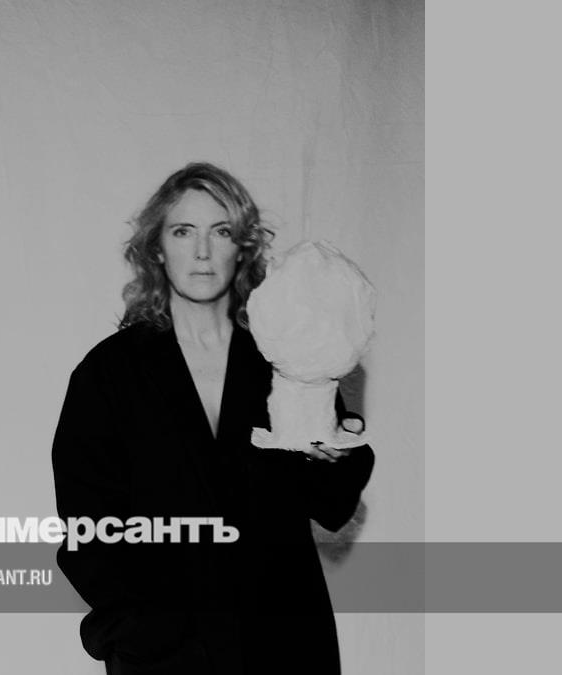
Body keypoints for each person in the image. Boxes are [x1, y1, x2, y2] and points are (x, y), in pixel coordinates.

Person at [52, 162, 374, 674]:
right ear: (157, 248)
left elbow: (332, 504)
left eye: (220, 231)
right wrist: (144, 630)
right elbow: (88, 529)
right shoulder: (109, 374)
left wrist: (333, 452)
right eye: (184, 231)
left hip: (285, 646)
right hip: (167, 657)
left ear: (242, 248)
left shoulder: (286, 359)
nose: (202, 251)